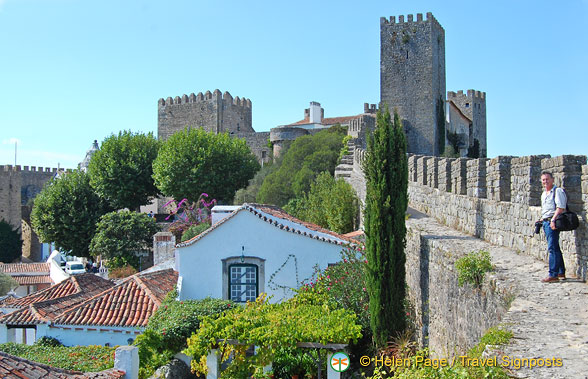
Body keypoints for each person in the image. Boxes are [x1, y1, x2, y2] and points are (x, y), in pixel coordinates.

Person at [539, 171, 566, 283]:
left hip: (553, 222)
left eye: (547, 179)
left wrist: (553, 220)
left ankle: (553, 275)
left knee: (552, 248)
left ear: (552, 179)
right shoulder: (544, 194)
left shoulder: (557, 191)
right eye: (543, 180)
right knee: (555, 247)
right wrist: (542, 219)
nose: (545, 181)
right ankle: (560, 271)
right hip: (546, 222)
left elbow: (560, 207)